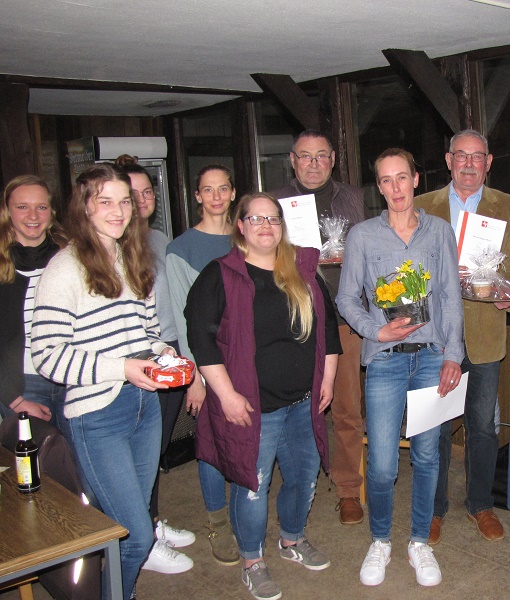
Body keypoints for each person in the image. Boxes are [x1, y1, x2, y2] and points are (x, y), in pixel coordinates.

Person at [185, 193, 338, 600]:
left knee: (303, 479)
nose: (266, 226)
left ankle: (292, 539)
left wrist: (328, 380)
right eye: (256, 219)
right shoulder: (220, 275)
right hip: (252, 406)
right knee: (252, 486)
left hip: (302, 402)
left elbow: (329, 331)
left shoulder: (302, 269)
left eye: (273, 219)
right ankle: (252, 561)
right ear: (241, 226)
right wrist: (227, 396)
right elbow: (201, 340)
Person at [31, 163, 173, 600]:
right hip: (96, 415)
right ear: (84, 207)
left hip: (143, 408)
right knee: (133, 535)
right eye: (104, 201)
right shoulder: (65, 267)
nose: (117, 211)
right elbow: (47, 356)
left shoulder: (133, 257)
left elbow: (146, 332)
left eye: (124, 201)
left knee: (132, 528)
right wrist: (124, 367)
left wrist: (162, 353)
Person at [337, 148, 464, 588]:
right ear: (380, 187)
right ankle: (380, 541)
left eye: (401, 178)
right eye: (386, 180)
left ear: (415, 179)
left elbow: (449, 295)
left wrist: (453, 353)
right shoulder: (363, 237)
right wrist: (376, 330)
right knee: (384, 464)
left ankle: (418, 543)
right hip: (386, 361)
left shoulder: (439, 232)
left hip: (432, 357)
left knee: (428, 455)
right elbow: (346, 298)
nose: (395, 188)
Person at [414, 129, 510, 543]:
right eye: (462, 155)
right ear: (448, 160)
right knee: (436, 427)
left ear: (489, 162)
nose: (470, 164)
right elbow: (410, 267)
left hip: (484, 334)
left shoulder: (507, 206)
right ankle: (434, 509)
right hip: (436, 337)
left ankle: (480, 505)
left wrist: (505, 296)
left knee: (482, 426)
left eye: (478, 156)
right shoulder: (425, 207)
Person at [268, 130, 367, 525]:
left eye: (321, 156)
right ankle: (298, 481)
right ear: (292, 160)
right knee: (290, 408)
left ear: (333, 159)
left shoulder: (354, 199)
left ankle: (347, 489)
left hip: (344, 319)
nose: (313, 164)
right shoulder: (274, 202)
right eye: (305, 157)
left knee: (346, 408)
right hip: (293, 321)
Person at [116, 156, 195, 575]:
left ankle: (150, 523)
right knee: (133, 458)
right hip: (135, 367)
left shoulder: (160, 238)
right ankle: (139, 537)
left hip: (167, 359)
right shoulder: (112, 246)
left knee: (155, 450)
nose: (142, 200)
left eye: (148, 192)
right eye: (133, 194)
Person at [166, 164, 239, 566]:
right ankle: (218, 522)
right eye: (207, 190)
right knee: (210, 445)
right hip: (207, 362)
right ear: (197, 196)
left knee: (246, 439)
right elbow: (182, 318)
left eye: (222, 189)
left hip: (247, 358)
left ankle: (246, 516)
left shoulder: (246, 237)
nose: (215, 196)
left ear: (232, 192)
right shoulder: (181, 249)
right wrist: (194, 375)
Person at [0, 176, 67, 425]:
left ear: (51, 211)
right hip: (22, 385)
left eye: (41, 207)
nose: (33, 215)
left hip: (70, 378)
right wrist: (15, 400)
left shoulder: (71, 258)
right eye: (22, 207)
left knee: (77, 463)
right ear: (7, 212)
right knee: (35, 463)